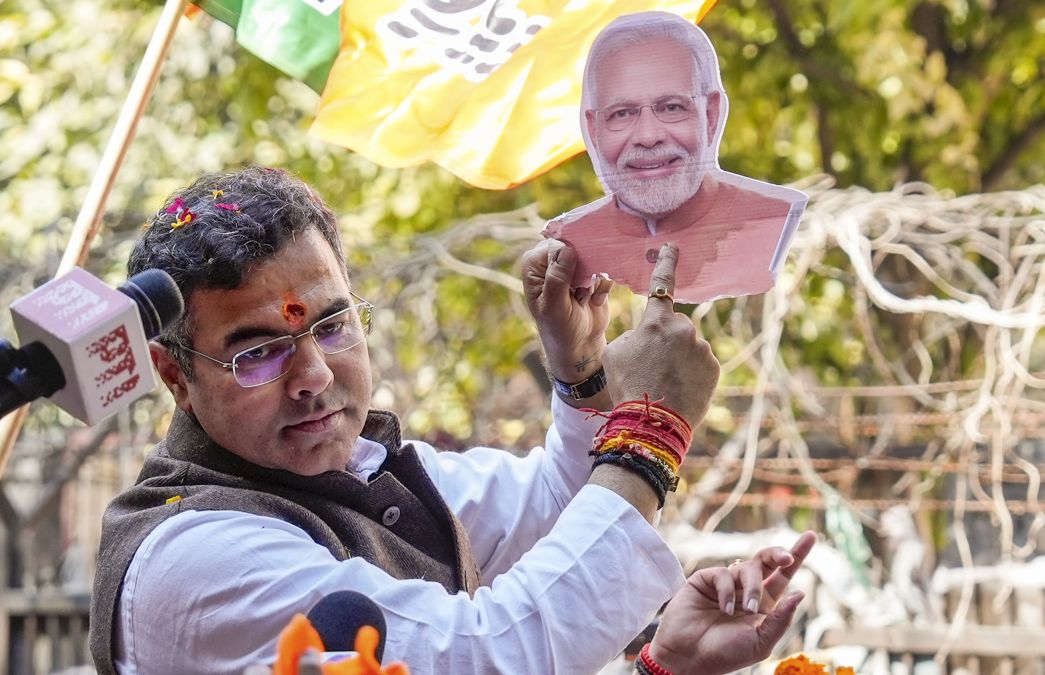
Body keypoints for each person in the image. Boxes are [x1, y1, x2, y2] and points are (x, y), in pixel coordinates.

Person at [87, 166, 813, 674]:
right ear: (174, 373)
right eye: (259, 353)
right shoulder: (191, 557)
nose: (313, 378)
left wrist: (582, 371)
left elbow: (553, 515)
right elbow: (482, 657)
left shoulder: (360, 473)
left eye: (334, 325)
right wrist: (651, 430)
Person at [544, 11, 808, 304]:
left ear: (710, 115)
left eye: (671, 108)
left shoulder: (771, 222)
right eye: (622, 114)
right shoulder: (570, 245)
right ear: (593, 129)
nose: (647, 135)